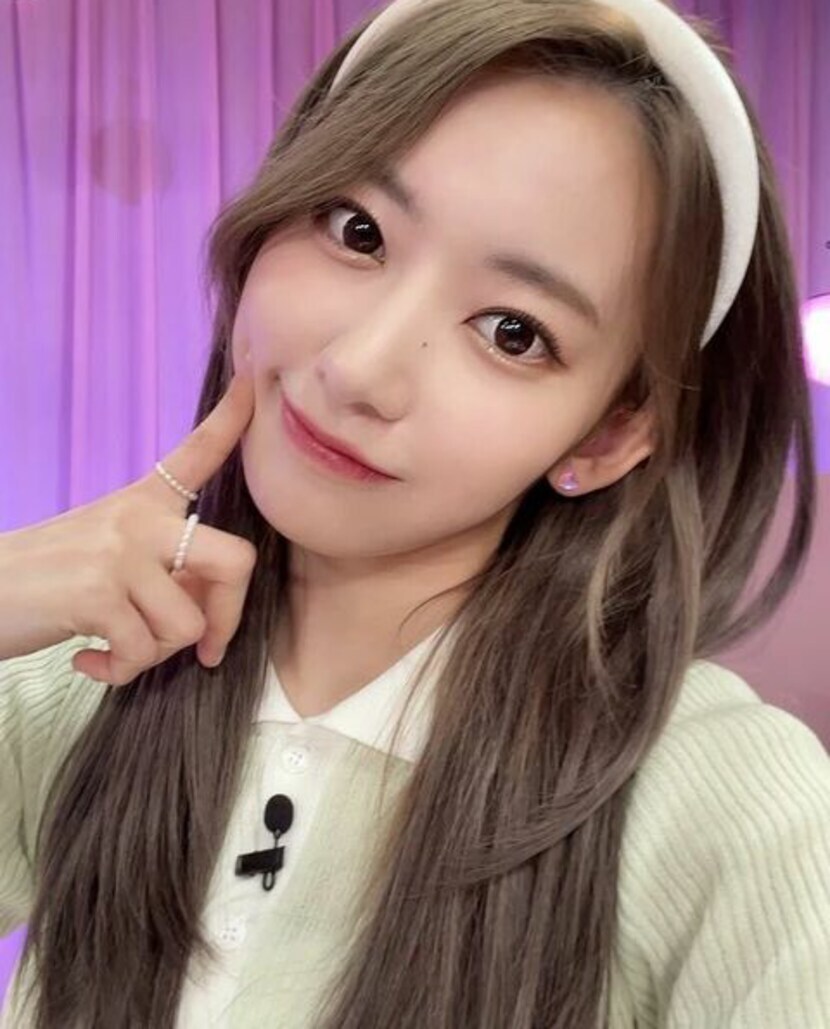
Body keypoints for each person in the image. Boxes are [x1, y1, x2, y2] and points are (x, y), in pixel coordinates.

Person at [1, 0, 829, 1025]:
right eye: (357, 232)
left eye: (512, 332)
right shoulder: (87, 678)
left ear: (609, 434)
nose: (361, 368)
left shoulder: (721, 801)